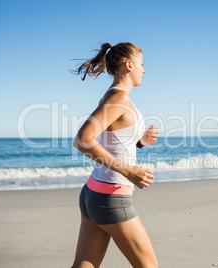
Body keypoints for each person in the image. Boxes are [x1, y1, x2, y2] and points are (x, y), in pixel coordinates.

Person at [71, 42, 159, 268]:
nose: (144, 70)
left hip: (94, 193)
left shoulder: (118, 97)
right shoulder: (118, 98)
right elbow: (83, 140)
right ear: (129, 65)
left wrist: (140, 142)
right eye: (142, 64)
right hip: (111, 197)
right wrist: (129, 171)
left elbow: (113, 142)